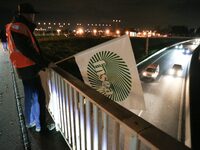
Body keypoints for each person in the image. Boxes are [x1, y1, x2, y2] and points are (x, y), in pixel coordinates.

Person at [6, 3, 54, 132]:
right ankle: (41, 126)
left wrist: (43, 60)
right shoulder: (20, 27)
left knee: (30, 94)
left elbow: (30, 48)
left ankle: (30, 121)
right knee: (39, 96)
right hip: (28, 67)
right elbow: (28, 50)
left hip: (21, 66)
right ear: (25, 15)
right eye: (32, 14)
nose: (34, 17)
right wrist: (43, 62)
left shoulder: (15, 26)